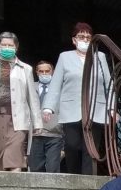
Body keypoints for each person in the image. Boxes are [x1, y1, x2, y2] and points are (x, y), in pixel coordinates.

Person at [42, 23, 112, 175]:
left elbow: (108, 83)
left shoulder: (100, 57)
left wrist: (112, 107)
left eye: (88, 37)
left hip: (95, 109)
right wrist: (48, 107)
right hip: (71, 109)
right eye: (81, 37)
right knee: (72, 145)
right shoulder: (65, 57)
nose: (85, 40)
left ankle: (88, 181)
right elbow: (56, 83)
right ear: (74, 40)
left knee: (90, 149)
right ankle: (74, 176)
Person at [0, 32, 42, 172]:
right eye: (4, 45)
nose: (7, 48)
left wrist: (37, 122)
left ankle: (15, 184)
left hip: (18, 118)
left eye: (10, 45)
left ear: (16, 47)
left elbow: (32, 98)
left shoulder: (26, 68)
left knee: (15, 156)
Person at [30, 61, 64, 173]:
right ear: (36, 72)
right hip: (35, 133)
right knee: (35, 169)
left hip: (55, 133)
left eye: (47, 71)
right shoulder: (30, 87)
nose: (44, 74)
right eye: (41, 71)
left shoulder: (61, 89)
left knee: (52, 169)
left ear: (53, 72)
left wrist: (64, 147)